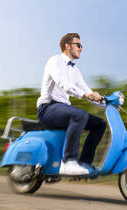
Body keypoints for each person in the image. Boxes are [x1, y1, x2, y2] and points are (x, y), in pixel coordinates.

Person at [36, 33, 106, 176]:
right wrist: (86, 95)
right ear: (67, 46)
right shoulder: (55, 61)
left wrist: (106, 103)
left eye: (81, 46)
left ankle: (85, 163)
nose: (81, 48)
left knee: (99, 124)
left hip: (62, 109)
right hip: (48, 107)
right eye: (78, 45)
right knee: (79, 115)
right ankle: (69, 161)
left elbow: (87, 90)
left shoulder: (75, 71)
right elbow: (64, 84)